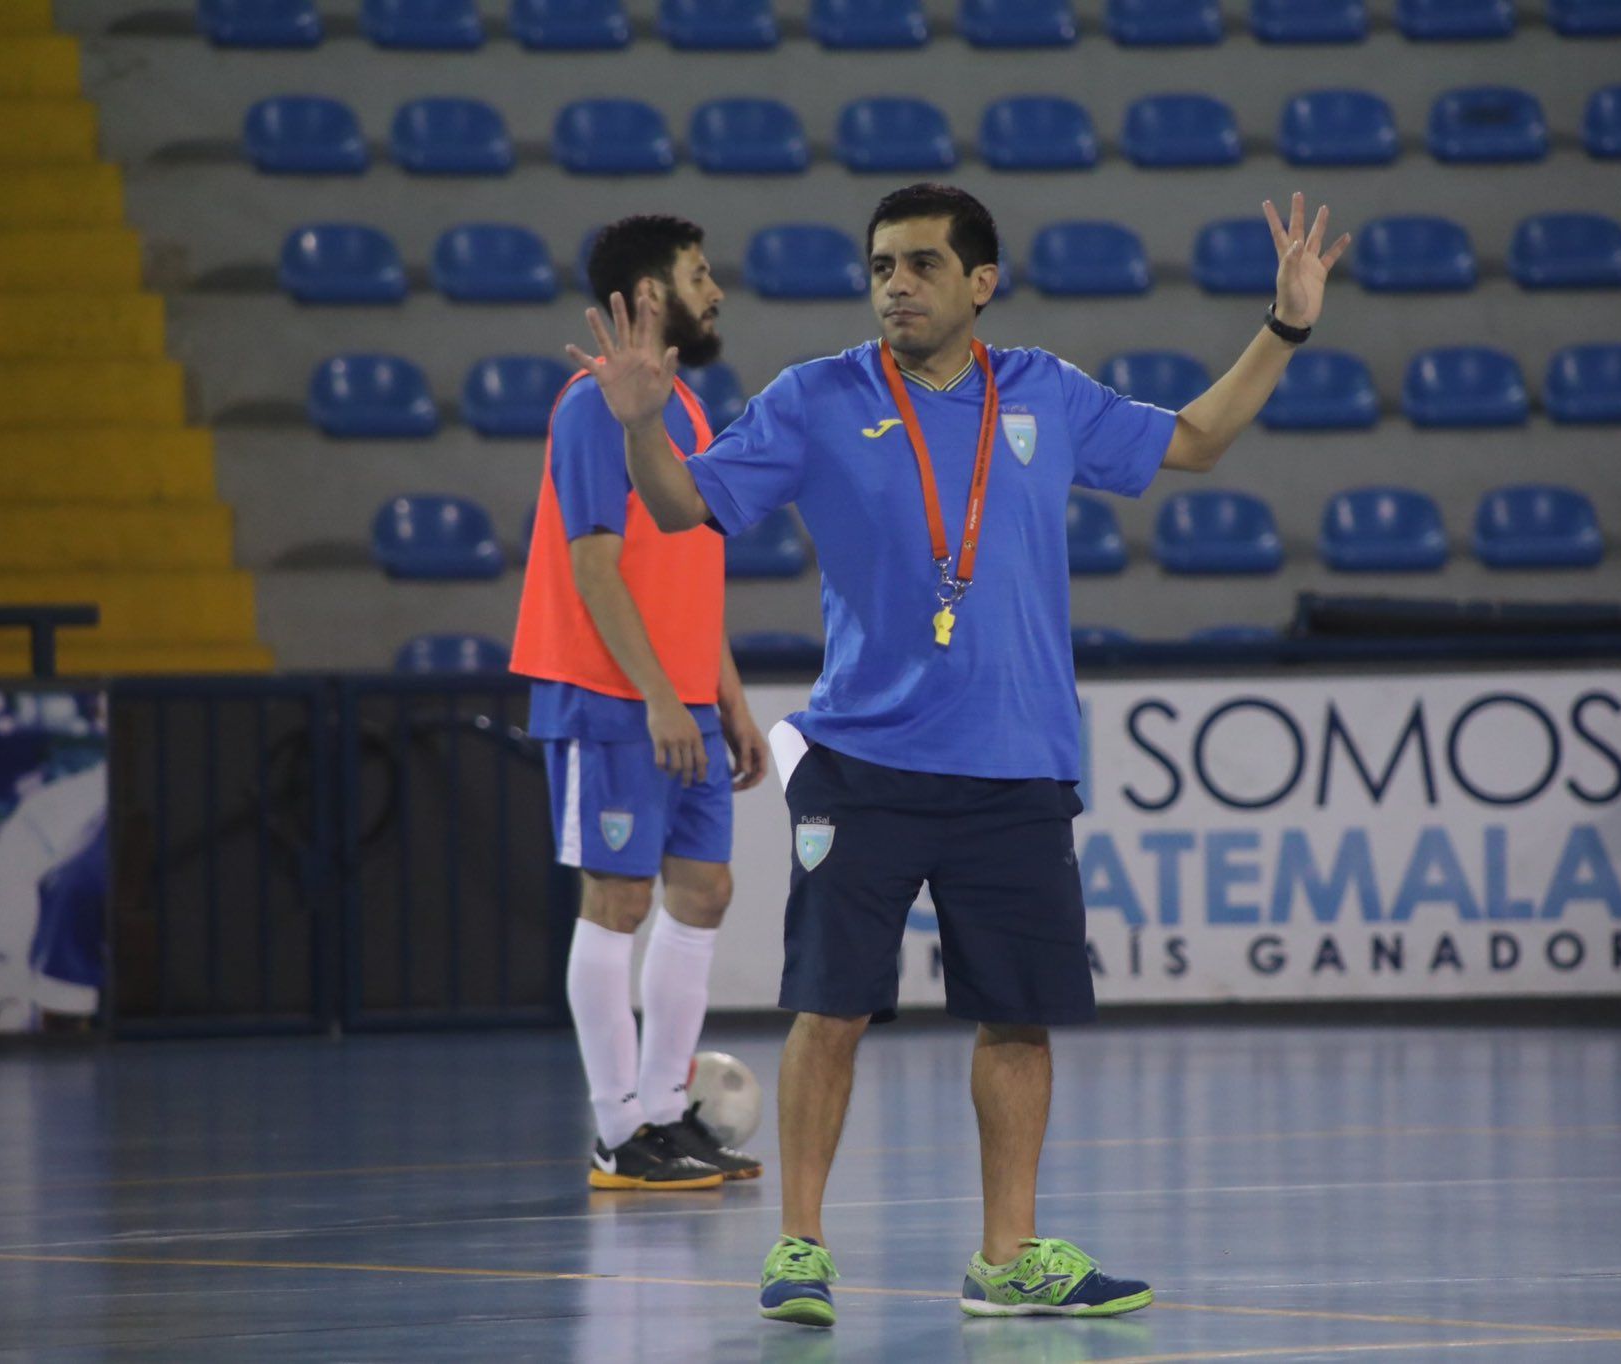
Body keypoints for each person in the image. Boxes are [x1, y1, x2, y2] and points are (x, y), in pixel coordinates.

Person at [569, 183, 1349, 1322]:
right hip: (863, 760)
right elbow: (681, 505)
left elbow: (1194, 437)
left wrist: (1284, 326)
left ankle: (1006, 1255)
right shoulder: (816, 397)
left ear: (979, 283)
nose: (896, 284)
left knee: (1018, 1016)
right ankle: (797, 1246)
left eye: (923, 265)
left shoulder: (1043, 391)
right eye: (882, 264)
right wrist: (641, 422)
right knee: (830, 1007)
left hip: (1017, 765)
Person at [513, 214, 770, 1192]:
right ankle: (616, 1131)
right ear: (651, 293)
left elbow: (689, 570)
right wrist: (662, 697)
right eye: (700, 274)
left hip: (681, 700)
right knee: (616, 898)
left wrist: (724, 697)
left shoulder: (689, 412)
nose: (716, 290)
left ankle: (669, 1113)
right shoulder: (592, 407)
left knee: (702, 890)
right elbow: (591, 564)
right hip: (607, 697)